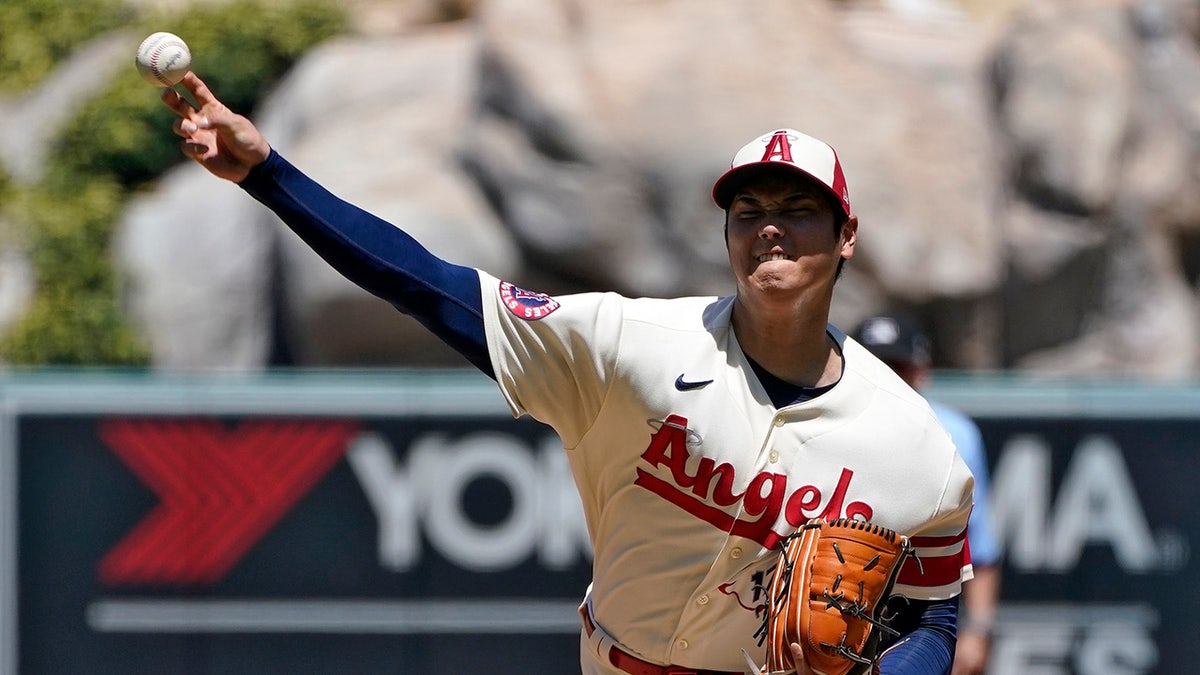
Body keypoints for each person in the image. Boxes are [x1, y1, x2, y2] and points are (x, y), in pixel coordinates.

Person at [162, 72, 975, 675]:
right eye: (748, 209)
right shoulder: (633, 342)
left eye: (796, 209)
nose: (768, 228)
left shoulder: (916, 448)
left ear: (846, 235)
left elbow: (936, 620)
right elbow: (426, 284)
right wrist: (270, 175)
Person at [852, 315, 1001, 675]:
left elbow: (979, 548)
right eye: (873, 366)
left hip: (918, 620)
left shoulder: (955, 435)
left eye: (896, 368)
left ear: (921, 372)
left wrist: (977, 633)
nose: (886, 379)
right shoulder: (821, 427)